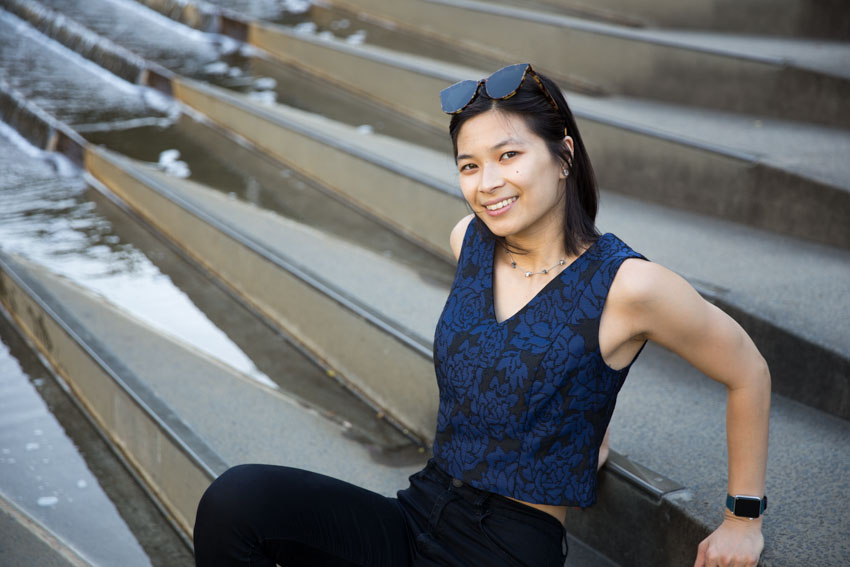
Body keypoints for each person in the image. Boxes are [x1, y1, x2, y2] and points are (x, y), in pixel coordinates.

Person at [192, 63, 770, 567]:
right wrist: (576, 425)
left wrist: (742, 518)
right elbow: (527, 358)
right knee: (237, 503)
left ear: (564, 154)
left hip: (504, 549)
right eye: (469, 165)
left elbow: (747, 371)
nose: (487, 183)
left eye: (508, 155)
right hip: (420, 510)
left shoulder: (630, 284)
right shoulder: (469, 241)